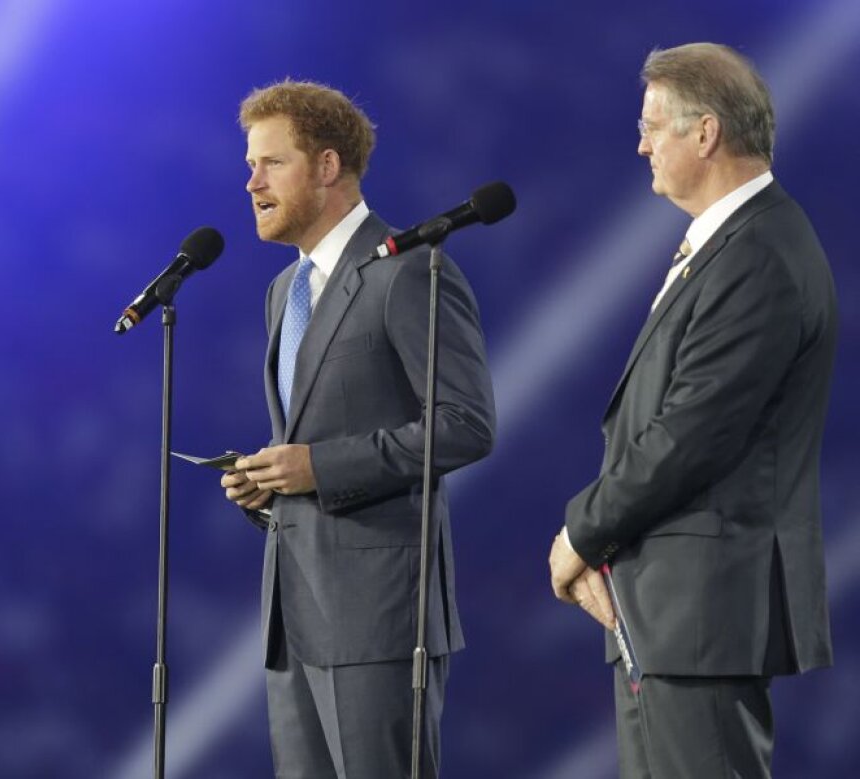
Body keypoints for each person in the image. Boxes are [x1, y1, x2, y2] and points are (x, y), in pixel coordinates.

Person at [548, 43, 837, 777]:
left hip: (703, 613)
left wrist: (580, 532)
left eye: (653, 126)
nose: (641, 143)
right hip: (670, 613)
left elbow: (690, 433)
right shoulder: (734, 245)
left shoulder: (759, 255)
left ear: (704, 133)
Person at [220, 79, 495, 778]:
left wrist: (320, 467)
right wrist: (271, 482)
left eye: (270, 163)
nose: (250, 182)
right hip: (293, 616)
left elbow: (465, 424)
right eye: (249, 164)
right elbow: (312, 434)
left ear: (327, 165)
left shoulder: (409, 271)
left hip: (380, 617)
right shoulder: (284, 292)